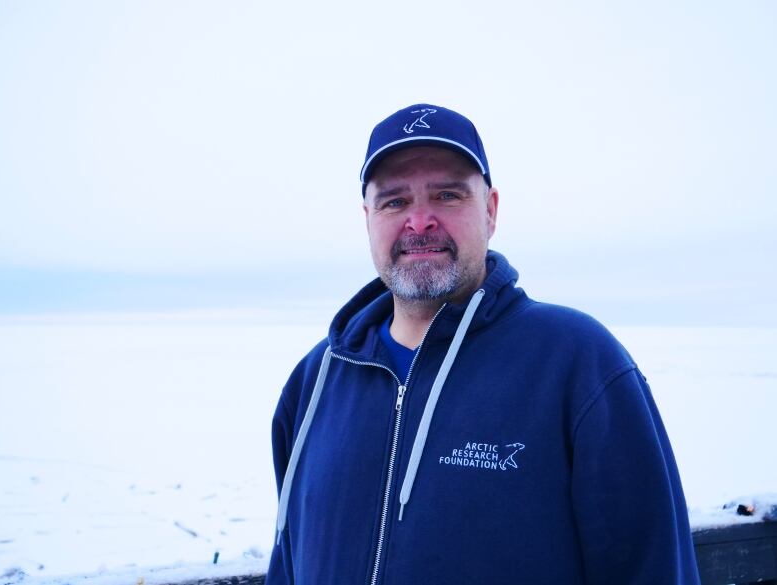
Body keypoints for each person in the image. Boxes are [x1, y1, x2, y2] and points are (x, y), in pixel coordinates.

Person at [267, 104, 701, 584]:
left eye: (447, 195)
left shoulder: (578, 363)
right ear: (367, 217)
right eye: (394, 201)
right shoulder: (314, 382)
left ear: (490, 211)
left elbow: (653, 567)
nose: (420, 221)